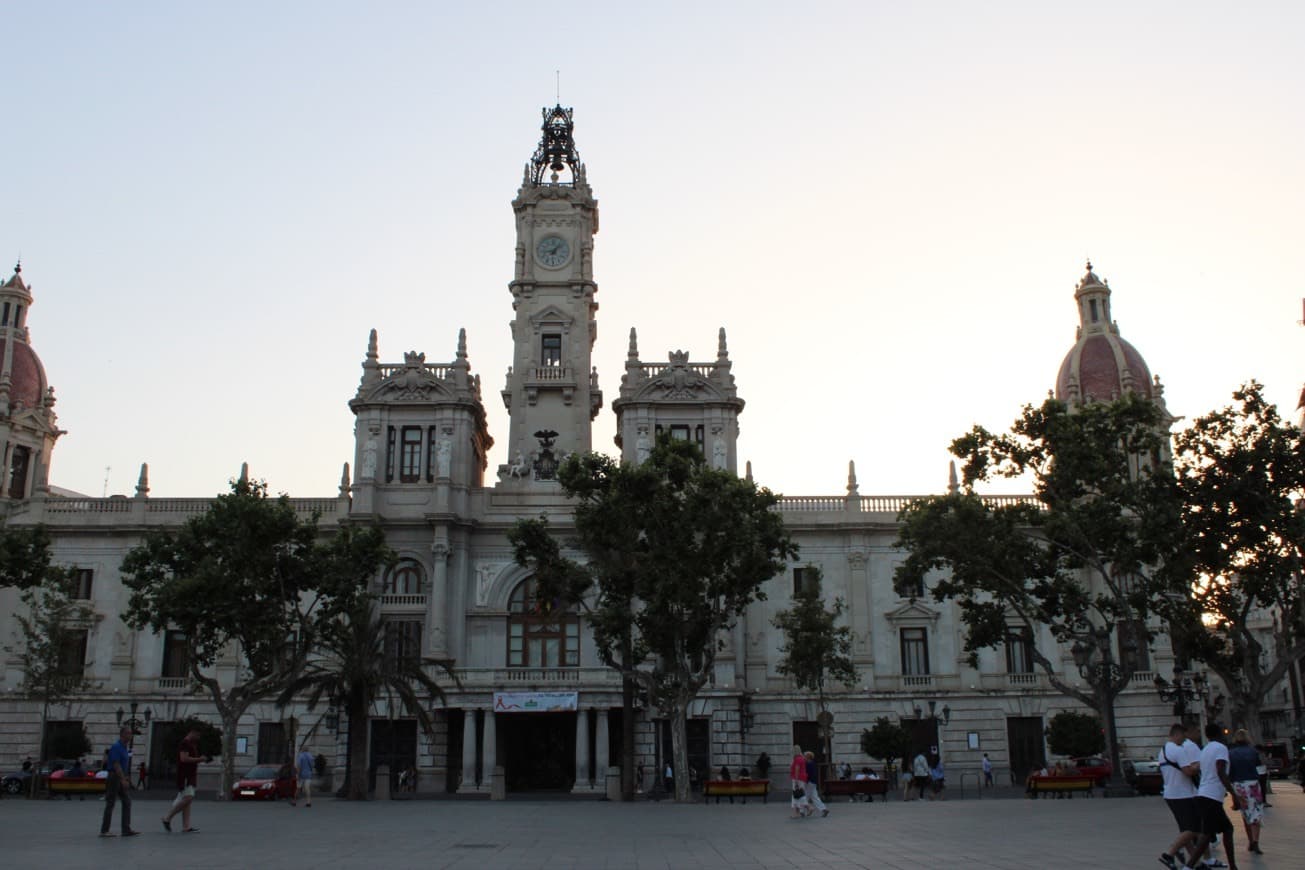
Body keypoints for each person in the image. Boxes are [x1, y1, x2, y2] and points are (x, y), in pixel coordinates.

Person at [1183, 723, 1240, 870]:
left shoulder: (1205, 749)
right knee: (1211, 833)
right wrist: (1234, 794)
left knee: (1214, 832)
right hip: (1211, 796)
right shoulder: (1220, 748)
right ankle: (1189, 867)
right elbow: (1220, 770)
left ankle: (1232, 866)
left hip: (1205, 794)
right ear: (1219, 733)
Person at [1157, 723, 1202, 870]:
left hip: (1170, 793)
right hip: (1183, 794)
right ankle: (1169, 853)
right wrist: (1199, 765)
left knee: (1185, 828)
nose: (1185, 739)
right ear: (1177, 734)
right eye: (1183, 736)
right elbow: (1188, 772)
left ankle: (1195, 862)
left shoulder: (1163, 750)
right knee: (1193, 828)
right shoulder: (1178, 750)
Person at [1226, 730, 1264, 855]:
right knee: (1256, 813)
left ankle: (1250, 840)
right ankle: (1256, 841)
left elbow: (1230, 773)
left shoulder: (1230, 753)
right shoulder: (1253, 751)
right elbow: (1258, 766)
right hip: (1253, 783)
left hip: (1238, 784)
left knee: (1246, 814)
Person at [161, 727, 205, 833]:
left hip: (190, 775)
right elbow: (183, 758)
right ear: (192, 733)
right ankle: (167, 817)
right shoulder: (185, 743)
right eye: (198, 735)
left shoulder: (191, 744)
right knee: (188, 798)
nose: (199, 738)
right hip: (185, 775)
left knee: (187, 801)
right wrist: (199, 759)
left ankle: (186, 826)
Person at [100, 726, 140, 837]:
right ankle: (104, 830)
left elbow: (123, 764)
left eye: (131, 733)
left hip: (120, 776)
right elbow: (116, 764)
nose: (130, 736)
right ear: (122, 734)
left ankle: (126, 829)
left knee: (127, 801)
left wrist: (126, 778)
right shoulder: (117, 747)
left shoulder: (124, 747)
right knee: (111, 802)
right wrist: (123, 779)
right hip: (114, 777)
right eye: (128, 733)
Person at [803, 751, 829, 817]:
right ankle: (823, 809)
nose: (804, 757)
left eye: (805, 756)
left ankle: (802, 811)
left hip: (809, 782)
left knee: (804, 797)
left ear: (808, 757)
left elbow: (808, 774)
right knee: (815, 797)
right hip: (813, 782)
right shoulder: (813, 763)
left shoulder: (808, 763)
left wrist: (806, 781)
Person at [788, 746, 809, 818]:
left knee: (797, 795)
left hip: (797, 779)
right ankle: (798, 812)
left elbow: (797, 770)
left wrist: (796, 781)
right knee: (799, 795)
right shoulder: (802, 758)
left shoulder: (797, 759)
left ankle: (808, 808)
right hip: (802, 778)